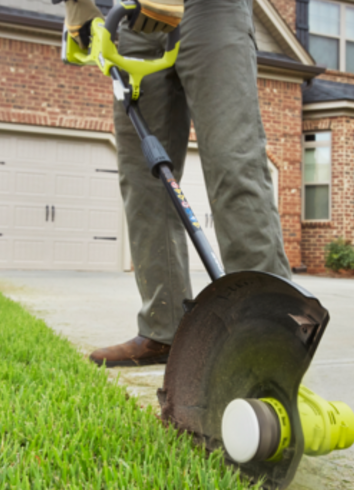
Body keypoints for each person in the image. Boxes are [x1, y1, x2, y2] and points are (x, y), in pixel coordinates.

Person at [58, 0, 292, 367]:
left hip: (212, 11)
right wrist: (77, 5)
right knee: (142, 178)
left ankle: (269, 331)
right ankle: (163, 329)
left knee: (233, 162)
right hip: (134, 19)